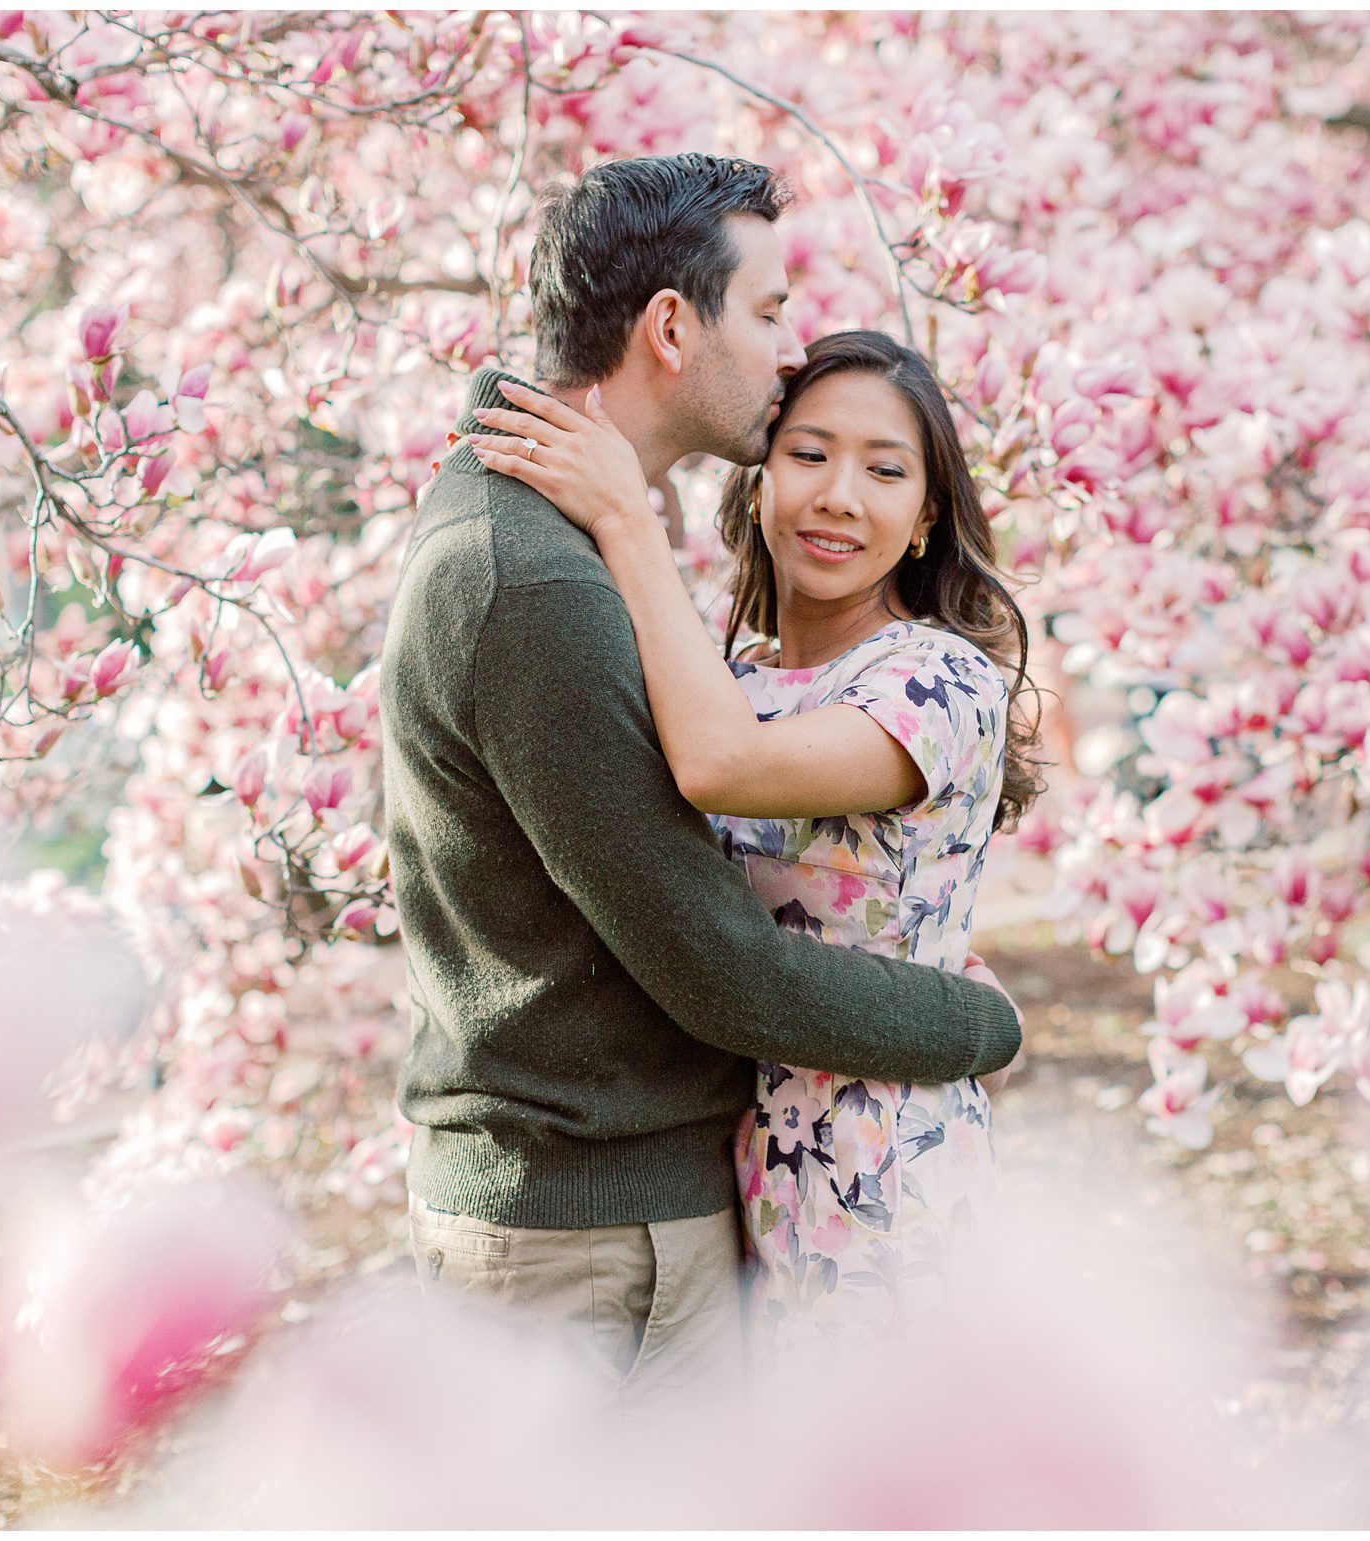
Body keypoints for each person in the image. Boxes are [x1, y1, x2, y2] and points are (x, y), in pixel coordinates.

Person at [378, 155, 1023, 1414]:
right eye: (769, 312)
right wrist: (977, 1026)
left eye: (886, 471)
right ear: (672, 325)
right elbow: (720, 959)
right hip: (589, 1220)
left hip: (786, 1190)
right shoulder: (546, 578)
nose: (786, 353)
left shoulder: (578, 550)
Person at [466, 329, 1047, 1358]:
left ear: (922, 519)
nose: (836, 495)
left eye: (883, 470)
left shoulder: (936, 682)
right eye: (809, 453)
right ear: (760, 479)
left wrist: (621, 516)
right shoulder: (730, 680)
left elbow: (722, 770)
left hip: (883, 1176)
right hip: (743, 1166)